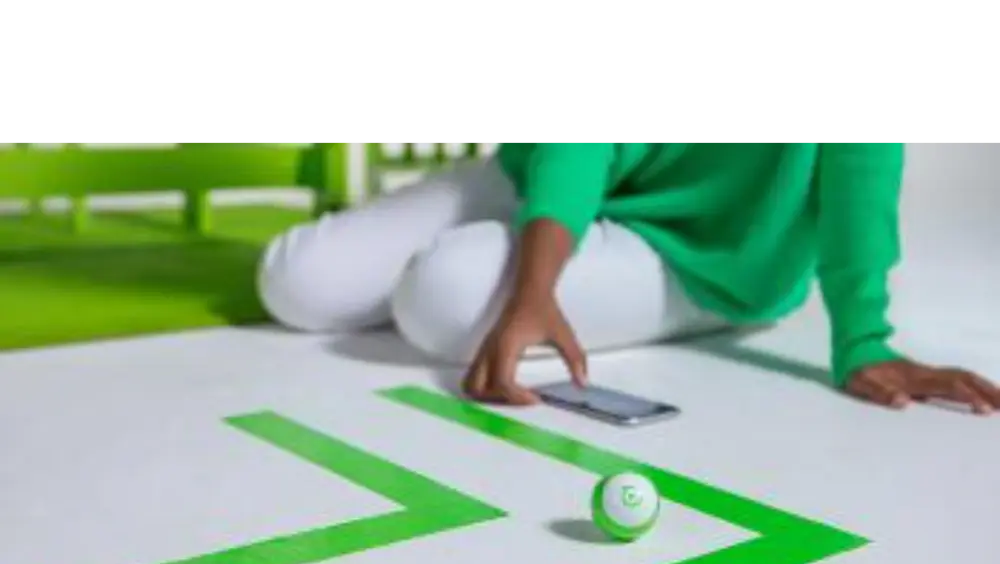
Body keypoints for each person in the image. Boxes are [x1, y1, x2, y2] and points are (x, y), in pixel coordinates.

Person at [257, 137, 999, 413]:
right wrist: (536, 286)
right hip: (549, 173)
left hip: (707, 252)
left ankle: (507, 261)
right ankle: (515, 247)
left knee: (439, 295)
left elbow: (862, 178)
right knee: (295, 281)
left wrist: (863, 339)